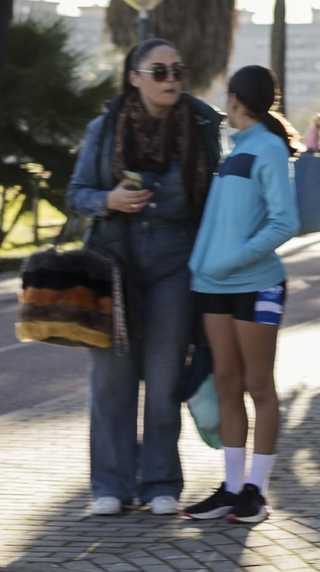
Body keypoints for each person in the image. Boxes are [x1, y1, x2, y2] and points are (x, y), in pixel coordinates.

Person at [66, 38, 220, 518]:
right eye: (159, 71)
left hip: (177, 259)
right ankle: (110, 485)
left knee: (164, 377)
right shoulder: (106, 127)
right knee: (111, 380)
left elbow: (216, 197)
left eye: (178, 69)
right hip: (115, 259)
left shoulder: (201, 125)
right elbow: (75, 193)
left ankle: (160, 483)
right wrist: (108, 200)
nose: (171, 78)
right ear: (134, 77)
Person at [179, 66, 301, 525]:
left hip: (257, 284)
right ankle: (232, 488)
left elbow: (285, 222)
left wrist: (232, 260)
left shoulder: (268, 149)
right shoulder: (236, 149)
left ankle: (257, 492)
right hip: (213, 287)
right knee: (227, 383)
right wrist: (204, 267)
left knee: (259, 386)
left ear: (234, 101)